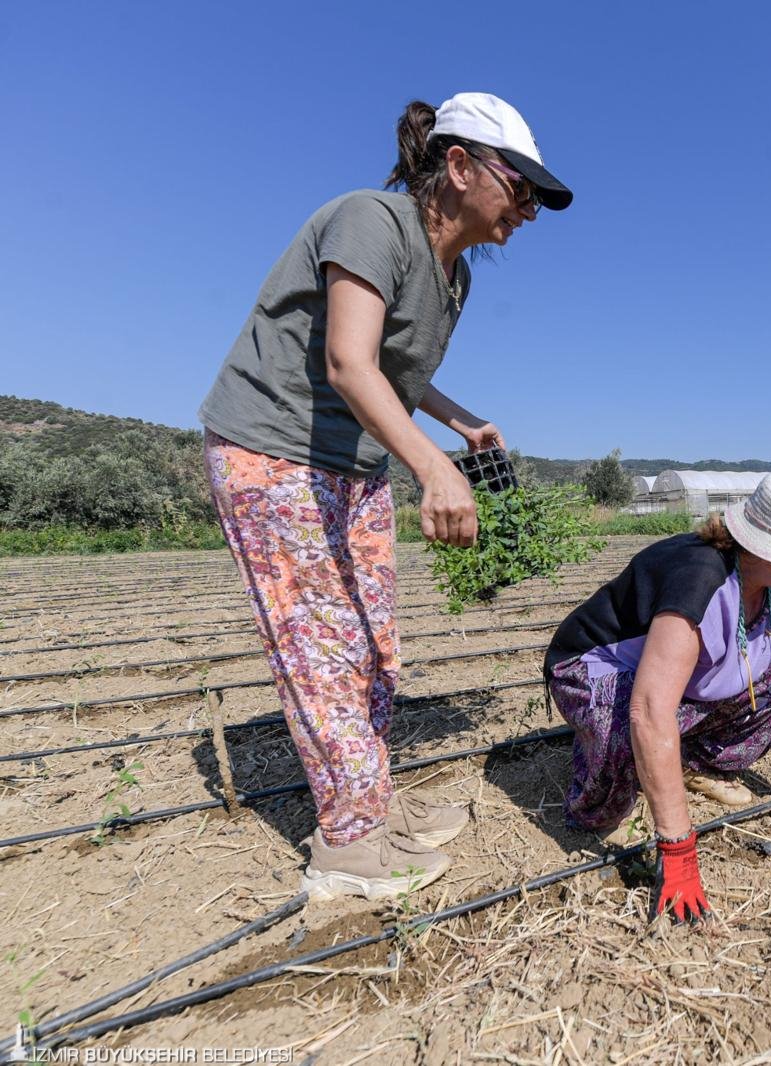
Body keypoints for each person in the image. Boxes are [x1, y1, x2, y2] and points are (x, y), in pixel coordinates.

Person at [198, 92, 572, 902]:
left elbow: (399, 368)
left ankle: (375, 798)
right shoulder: (371, 219)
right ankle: (348, 846)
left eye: (539, 198)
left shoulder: (456, 272)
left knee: (372, 646)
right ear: (461, 165)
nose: (530, 210)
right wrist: (431, 468)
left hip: (354, 460)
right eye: (522, 186)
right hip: (275, 452)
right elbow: (348, 361)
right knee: (322, 649)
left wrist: (460, 421)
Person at [544, 471, 771, 924]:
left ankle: (686, 766)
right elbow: (649, 709)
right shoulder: (700, 580)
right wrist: (677, 843)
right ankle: (603, 795)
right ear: (763, 546)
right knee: (629, 725)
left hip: (676, 676)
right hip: (596, 665)